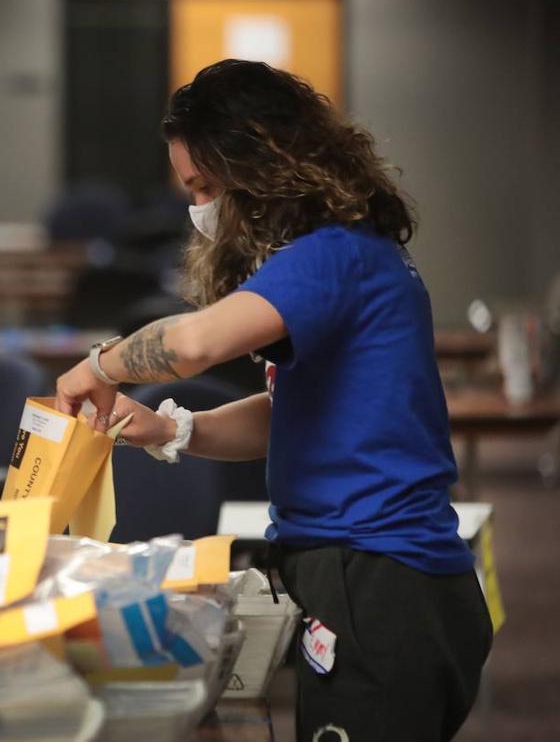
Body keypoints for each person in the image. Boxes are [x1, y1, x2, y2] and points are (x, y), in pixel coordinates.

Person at [56, 59, 492, 742]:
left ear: (257, 168)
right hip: (372, 572)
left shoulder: (332, 257)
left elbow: (196, 344)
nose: (198, 208)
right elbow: (291, 414)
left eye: (204, 185)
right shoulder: (347, 255)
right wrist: (173, 430)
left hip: (378, 576)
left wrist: (101, 365)